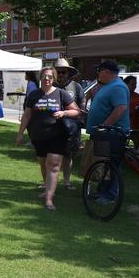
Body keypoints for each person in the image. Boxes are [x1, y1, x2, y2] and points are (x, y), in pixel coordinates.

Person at [17, 66, 80, 210]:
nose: (47, 79)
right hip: (38, 136)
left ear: (54, 79)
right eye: (44, 76)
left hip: (57, 135)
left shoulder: (61, 94)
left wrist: (63, 113)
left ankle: (49, 199)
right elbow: (27, 115)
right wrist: (20, 133)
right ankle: (47, 188)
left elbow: (76, 111)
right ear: (40, 78)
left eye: (50, 77)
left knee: (53, 165)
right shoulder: (33, 95)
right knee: (43, 163)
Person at [86, 60, 130, 204]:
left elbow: (121, 108)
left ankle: (110, 195)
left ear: (106, 71)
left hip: (113, 134)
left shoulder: (118, 87)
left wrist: (105, 125)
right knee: (105, 164)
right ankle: (101, 191)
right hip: (106, 133)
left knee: (113, 165)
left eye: (99, 70)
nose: (97, 73)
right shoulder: (109, 86)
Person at [54, 58, 85, 190]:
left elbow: (82, 106)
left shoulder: (76, 86)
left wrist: (79, 120)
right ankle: (50, 182)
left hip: (71, 126)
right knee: (53, 155)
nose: (61, 74)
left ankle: (66, 181)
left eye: (63, 72)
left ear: (68, 73)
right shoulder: (50, 85)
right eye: (58, 72)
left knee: (68, 155)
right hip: (53, 126)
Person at [123, 75, 139, 148]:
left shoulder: (137, 95)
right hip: (125, 125)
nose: (135, 86)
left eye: (135, 84)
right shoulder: (122, 95)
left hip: (136, 125)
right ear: (126, 84)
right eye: (132, 84)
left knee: (135, 146)